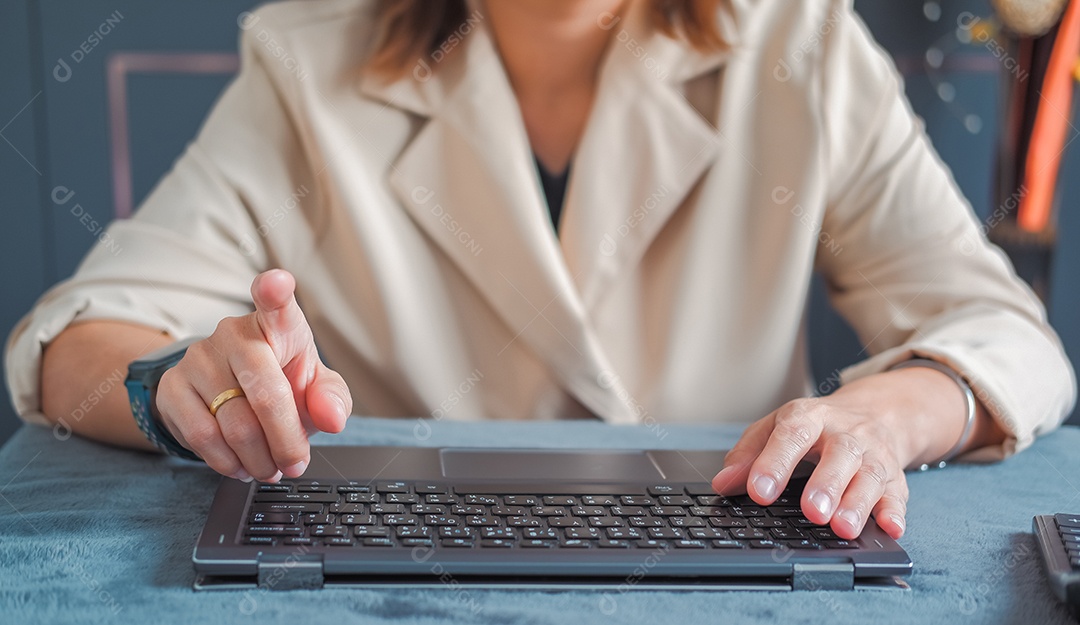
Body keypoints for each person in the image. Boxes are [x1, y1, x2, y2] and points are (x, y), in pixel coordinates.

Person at [6, 0, 1076, 544]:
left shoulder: (800, 44)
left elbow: (1002, 335)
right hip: (408, 571)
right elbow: (79, 338)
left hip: (720, 567)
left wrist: (885, 417)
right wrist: (176, 384)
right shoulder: (309, 61)